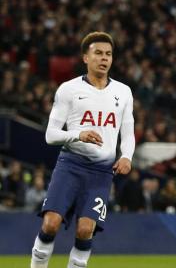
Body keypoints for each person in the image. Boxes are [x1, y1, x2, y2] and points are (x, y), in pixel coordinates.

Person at [30, 32, 135, 268]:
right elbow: (50, 135)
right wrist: (79, 134)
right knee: (50, 224)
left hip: (101, 172)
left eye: (108, 54)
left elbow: (127, 132)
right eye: (98, 53)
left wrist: (126, 156)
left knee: (86, 230)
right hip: (71, 165)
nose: (104, 58)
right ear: (85, 57)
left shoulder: (123, 92)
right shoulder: (68, 89)